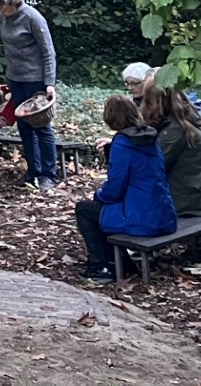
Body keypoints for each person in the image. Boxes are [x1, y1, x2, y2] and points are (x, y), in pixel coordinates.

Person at [75, 94, 174, 282]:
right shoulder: (150, 137)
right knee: (105, 212)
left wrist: (98, 195)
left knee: (86, 210)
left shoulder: (122, 144)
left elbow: (114, 190)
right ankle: (121, 262)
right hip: (162, 213)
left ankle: (100, 267)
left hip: (142, 218)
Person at [0, 0, 60, 190]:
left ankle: (49, 174)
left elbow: (48, 52)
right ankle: (33, 171)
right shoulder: (2, 16)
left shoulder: (32, 17)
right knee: (24, 127)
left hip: (36, 80)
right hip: (15, 79)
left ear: (13, 1)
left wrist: (49, 83)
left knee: (41, 127)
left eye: (2, 5)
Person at [140, 83, 201, 221]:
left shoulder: (173, 131)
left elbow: (150, 170)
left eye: (146, 99)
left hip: (192, 201)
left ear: (155, 101)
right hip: (197, 192)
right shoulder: (182, 120)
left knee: (102, 211)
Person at [124, 62, 201, 183]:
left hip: (196, 189)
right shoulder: (166, 120)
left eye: (147, 98)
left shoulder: (180, 125)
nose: (130, 89)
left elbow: (150, 167)